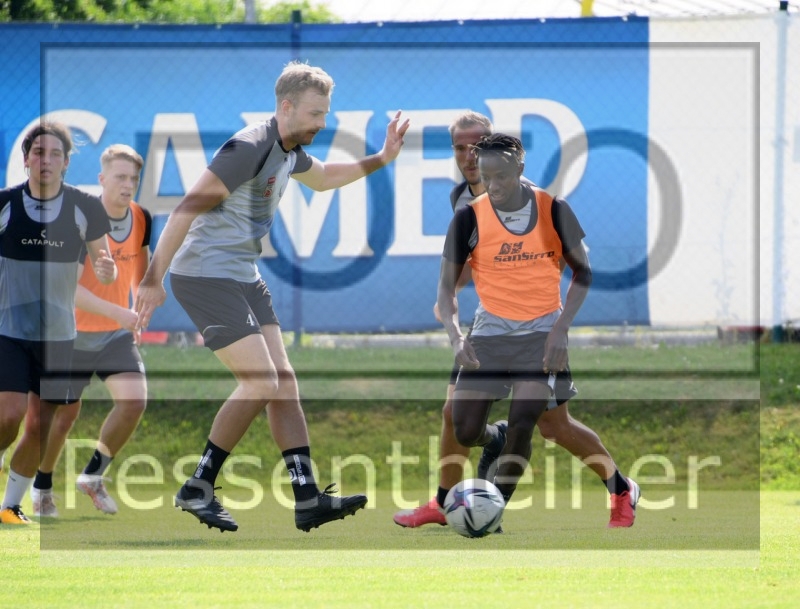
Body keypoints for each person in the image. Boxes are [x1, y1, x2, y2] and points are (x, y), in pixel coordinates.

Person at [134, 61, 410, 533]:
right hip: (204, 275)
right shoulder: (249, 147)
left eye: (325, 114)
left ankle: (307, 499)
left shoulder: (287, 151)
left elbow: (325, 177)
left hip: (242, 274)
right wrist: (152, 279)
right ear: (286, 106)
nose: (322, 123)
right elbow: (185, 209)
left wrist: (383, 157)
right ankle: (197, 487)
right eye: (315, 113)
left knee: (283, 382)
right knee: (261, 382)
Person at [395, 128, 640, 530]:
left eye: (502, 177)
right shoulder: (469, 216)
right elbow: (446, 286)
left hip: (541, 335)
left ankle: (492, 513)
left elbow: (583, 273)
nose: (493, 186)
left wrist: (560, 330)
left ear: (521, 168)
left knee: (529, 423)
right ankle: (501, 442)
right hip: (489, 334)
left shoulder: (554, 209)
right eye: (486, 177)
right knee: (466, 428)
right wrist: (456, 336)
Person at [0, 121, 116, 525]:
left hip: (58, 337)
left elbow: (104, 266)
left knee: (40, 426)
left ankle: (10, 507)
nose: (45, 160)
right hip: (8, 332)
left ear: (66, 162)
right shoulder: (5, 203)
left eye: (55, 154)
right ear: (26, 159)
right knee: (8, 415)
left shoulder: (86, 207)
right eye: (38, 153)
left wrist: (107, 271)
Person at [30, 144, 151, 518]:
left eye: (133, 179)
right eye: (120, 177)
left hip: (115, 335)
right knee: (62, 417)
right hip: (70, 334)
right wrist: (120, 312)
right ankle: (42, 487)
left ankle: (93, 476)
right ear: (102, 179)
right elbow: (69, 289)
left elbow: (141, 274)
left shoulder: (141, 217)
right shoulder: (78, 221)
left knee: (134, 401)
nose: (127, 185)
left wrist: (138, 313)